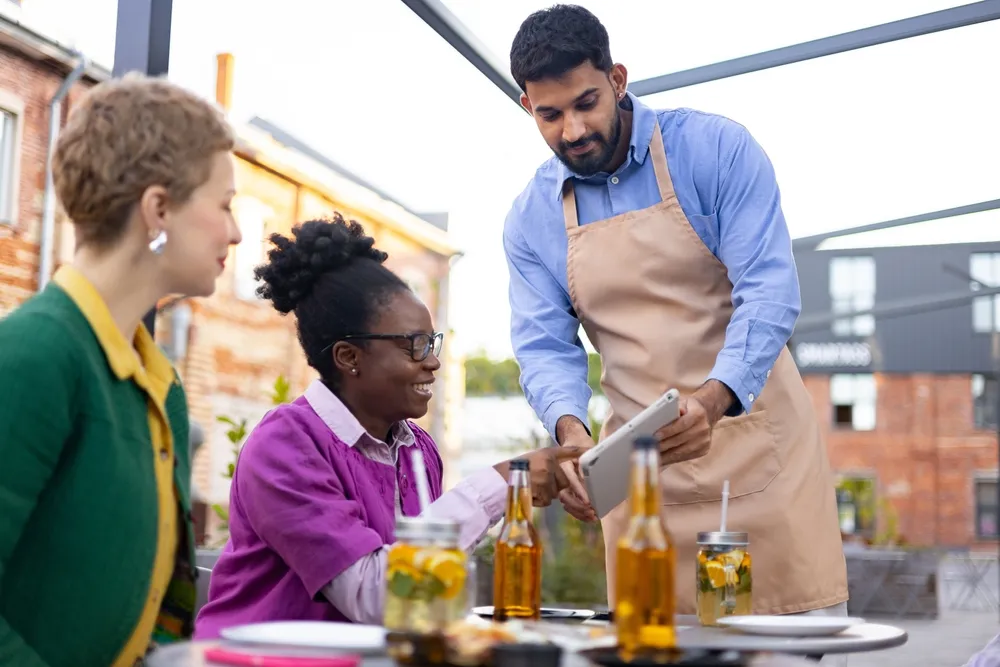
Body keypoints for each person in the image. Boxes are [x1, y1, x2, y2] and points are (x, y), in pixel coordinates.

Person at [503, 4, 848, 625]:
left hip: (756, 456)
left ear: (618, 79)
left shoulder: (714, 150)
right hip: (640, 487)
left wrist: (715, 400)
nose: (573, 129)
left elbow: (768, 290)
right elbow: (544, 348)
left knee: (776, 646)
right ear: (528, 108)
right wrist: (573, 439)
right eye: (550, 115)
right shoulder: (530, 218)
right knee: (652, 643)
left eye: (587, 103)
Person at [194, 217, 583, 637]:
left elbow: (427, 588)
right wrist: (500, 485)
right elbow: (376, 595)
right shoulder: (285, 446)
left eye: (432, 343)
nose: (431, 361)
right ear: (349, 357)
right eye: (414, 345)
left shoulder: (417, 449)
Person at [0, 74, 241, 667]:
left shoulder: (159, 383)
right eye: (225, 204)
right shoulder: (35, 356)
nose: (236, 231)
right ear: (158, 208)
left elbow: (152, 609)